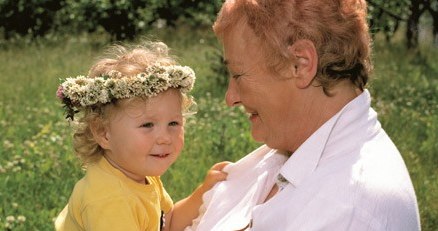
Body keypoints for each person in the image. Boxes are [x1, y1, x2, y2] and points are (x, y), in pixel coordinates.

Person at [186, 0, 421, 230]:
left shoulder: (347, 211)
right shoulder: (296, 144)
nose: (230, 98)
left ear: (300, 64)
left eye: (238, 75)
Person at [54, 41, 228, 231]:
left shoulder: (137, 172)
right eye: (147, 125)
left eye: (173, 123)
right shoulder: (109, 200)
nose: (164, 138)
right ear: (103, 133)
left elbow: (167, 223)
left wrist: (204, 193)